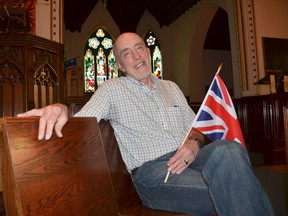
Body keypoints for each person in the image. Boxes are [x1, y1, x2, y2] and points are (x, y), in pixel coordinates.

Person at [18, 32, 275, 216]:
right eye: (126, 54)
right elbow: (83, 122)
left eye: (139, 47)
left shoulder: (171, 87)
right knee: (237, 187)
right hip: (155, 173)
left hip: (194, 158)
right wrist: (60, 107)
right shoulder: (111, 89)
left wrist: (194, 145)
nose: (136, 56)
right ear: (119, 64)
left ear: (148, 51)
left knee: (230, 148)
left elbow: (196, 127)